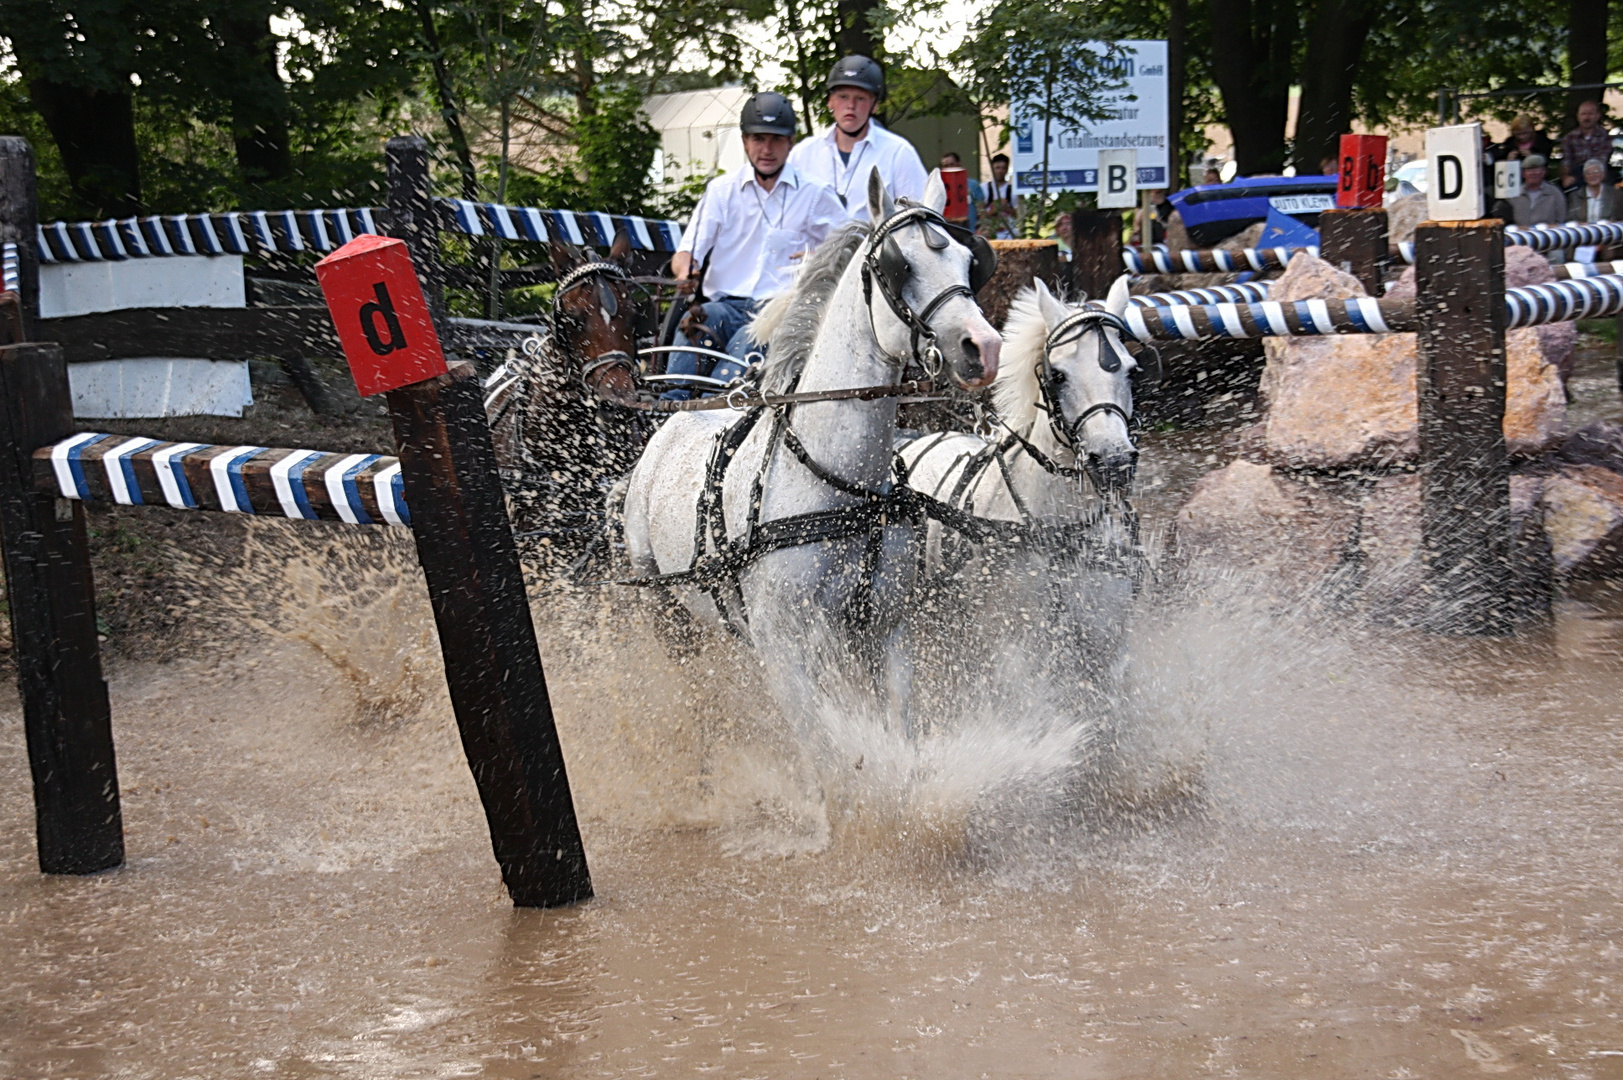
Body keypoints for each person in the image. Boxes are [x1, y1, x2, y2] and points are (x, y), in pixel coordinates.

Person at [665, 92, 844, 399]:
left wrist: (817, 259)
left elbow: (851, 252)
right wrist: (685, 273)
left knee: (733, 369)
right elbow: (686, 253)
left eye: (776, 140)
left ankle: (714, 421)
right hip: (722, 306)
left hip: (778, 309)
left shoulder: (816, 194)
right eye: (758, 139)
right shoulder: (721, 191)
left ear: (791, 143)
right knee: (684, 353)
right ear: (745, 141)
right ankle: (663, 419)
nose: (767, 149)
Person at [786, 55, 928, 221]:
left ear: (874, 105)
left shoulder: (899, 153)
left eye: (860, 99)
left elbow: (921, 218)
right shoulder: (802, 154)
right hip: (816, 247)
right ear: (830, 101)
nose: (850, 106)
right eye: (843, 97)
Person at [1560, 101, 1613, 189]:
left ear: (1597, 116)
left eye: (1590, 114)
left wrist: (1588, 174)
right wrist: (1565, 177)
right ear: (1578, 116)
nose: (1586, 117)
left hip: (1599, 172)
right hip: (1576, 173)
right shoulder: (1569, 138)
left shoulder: (1605, 136)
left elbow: (1602, 160)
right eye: (1583, 114)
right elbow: (1567, 162)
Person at [1566, 158, 1623, 223]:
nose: (1592, 175)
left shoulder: (1616, 194)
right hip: (1584, 231)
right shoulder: (1575, 196)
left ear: (1603, 175)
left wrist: (1612, 222)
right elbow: (1570, 219)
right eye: (1588, 173)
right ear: (1584, 177)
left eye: (1596, 172)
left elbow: (1620, 218)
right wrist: (1579, 224)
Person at [940, 150, 981, 231]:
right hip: (948, 232)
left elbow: (981, 210)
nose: (949, 168)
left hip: (970, 232)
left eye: (952, 164)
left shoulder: (973, 185)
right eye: (946, 166)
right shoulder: (940, 188)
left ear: (959, 163)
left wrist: (980, 230)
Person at [980, 152, 1017, 237]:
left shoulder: (1012, 190)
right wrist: (993, 210)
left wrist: (1006, 208)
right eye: (997, 168)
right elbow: (979, 213)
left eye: (1003, 168)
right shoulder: (984, 188)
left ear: (1007, 169)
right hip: (989, 233)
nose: (1000, 171)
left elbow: (1017, 215)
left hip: (1008, 233)